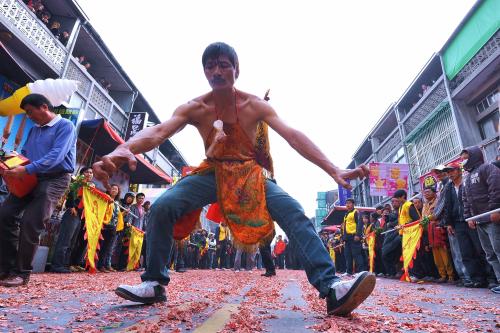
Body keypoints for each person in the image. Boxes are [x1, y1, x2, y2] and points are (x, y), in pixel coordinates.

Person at [93, 42, 374, 316]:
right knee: (164, 205)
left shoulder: (254, 105)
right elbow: (158, 132)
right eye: (210, 66)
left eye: (224, 66)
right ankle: (154, 283)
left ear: (236, 70)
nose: (216, 72)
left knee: (293, 212)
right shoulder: (195, 107)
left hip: (249, 173)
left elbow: (293, 136)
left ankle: (332, 287)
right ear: (204, 71)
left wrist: (333, 169)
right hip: (212, 172)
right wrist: (123, 148)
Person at [0, 93, 76, 287]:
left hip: (55, 179)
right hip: (30, 175)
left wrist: (25, 169)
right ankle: (6, 268)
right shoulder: (34, 130)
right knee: (5, 214)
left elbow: (56, 156)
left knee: (31, 222)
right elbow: (25, 153)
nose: (29, 116)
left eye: (30, 112)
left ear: (44, 107)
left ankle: (22, 272)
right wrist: (12, 162)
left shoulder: (66, 126)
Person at [442, 162, 492, 288]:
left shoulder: (467, 182)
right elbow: (447, 206)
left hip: (472, 219)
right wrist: (448, 223)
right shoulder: (448, 187)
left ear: (459, 170)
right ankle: (476, 278)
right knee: (466, 252)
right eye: (448, 172)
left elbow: (473, 200)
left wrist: (474, 216)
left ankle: (491, 278)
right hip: (458, 223)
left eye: (452, 171)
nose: (450, 174)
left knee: (480, 249)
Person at [461, 147, 500, 293]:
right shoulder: (467, 178)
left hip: (492, 218)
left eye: (465, 157)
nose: (463, 160)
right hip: (478, 221)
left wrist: (495, 210)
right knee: (489, 253)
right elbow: (466, 200)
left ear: (473, 156)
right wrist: (469, 217)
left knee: (499, 250)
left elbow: (496, 189)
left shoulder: (487, 168)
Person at [51, 167, 94, 273]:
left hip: (80, 216)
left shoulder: (88, 187)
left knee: (72, 242)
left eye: (91, 172)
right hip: (72, 214)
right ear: (82, 174)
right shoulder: (76, 183)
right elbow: (70, 194)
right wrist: (71, 206)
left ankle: (65, 264)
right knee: (64, 240)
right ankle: (57, 265)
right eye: (87, 172)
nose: (89, 174)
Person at [422, 187, 453, 283]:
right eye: (425, 192)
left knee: (445, 254)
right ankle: (442, 275)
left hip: (439, 230)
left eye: (428, 192)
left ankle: (450, 276)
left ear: (434, 193)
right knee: (436, 257)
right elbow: (423, 219)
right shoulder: (425, 205)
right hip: (430, 232)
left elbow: (438, 215)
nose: (426, 194)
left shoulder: (439, 202)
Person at [97, 184, 121, 272]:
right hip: (104, 225)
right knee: (101, 245)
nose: (114, 190)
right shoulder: (105, 197)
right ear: (109, 190)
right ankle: (98, 265)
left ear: (118, 192)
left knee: (107, 247)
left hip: (113, 226)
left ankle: (103, 265)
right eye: (113, 188)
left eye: (116, 189)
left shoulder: (118, 203)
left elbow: (117, 215)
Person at [341, 199, 364, 276]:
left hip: (354, 236)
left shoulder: (356, 212)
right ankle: (349, 271)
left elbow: (360, 224)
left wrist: (358, 235)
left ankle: (360, 272)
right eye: (346, 203)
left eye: (349, 203)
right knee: (348, 255)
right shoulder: (346, 214)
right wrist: (343, 237)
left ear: (353, 204)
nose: (347, 205)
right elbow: (344, 226)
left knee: (356, 254)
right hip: (347, 238)